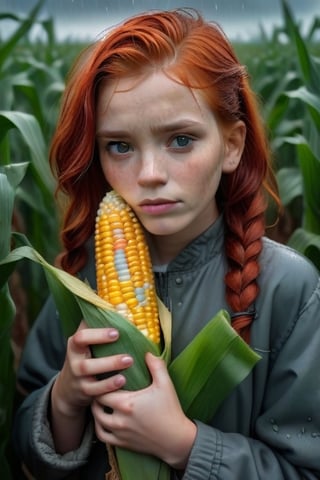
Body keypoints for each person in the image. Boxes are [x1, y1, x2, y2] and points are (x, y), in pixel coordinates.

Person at [13, 8, 320, 480]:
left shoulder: (290, 290)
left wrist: (185, 444)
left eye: (180, 140)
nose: (149, 175)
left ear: (232, 145)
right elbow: (24, 446)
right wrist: (63, 400)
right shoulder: (80, 280)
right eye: (120, 146)